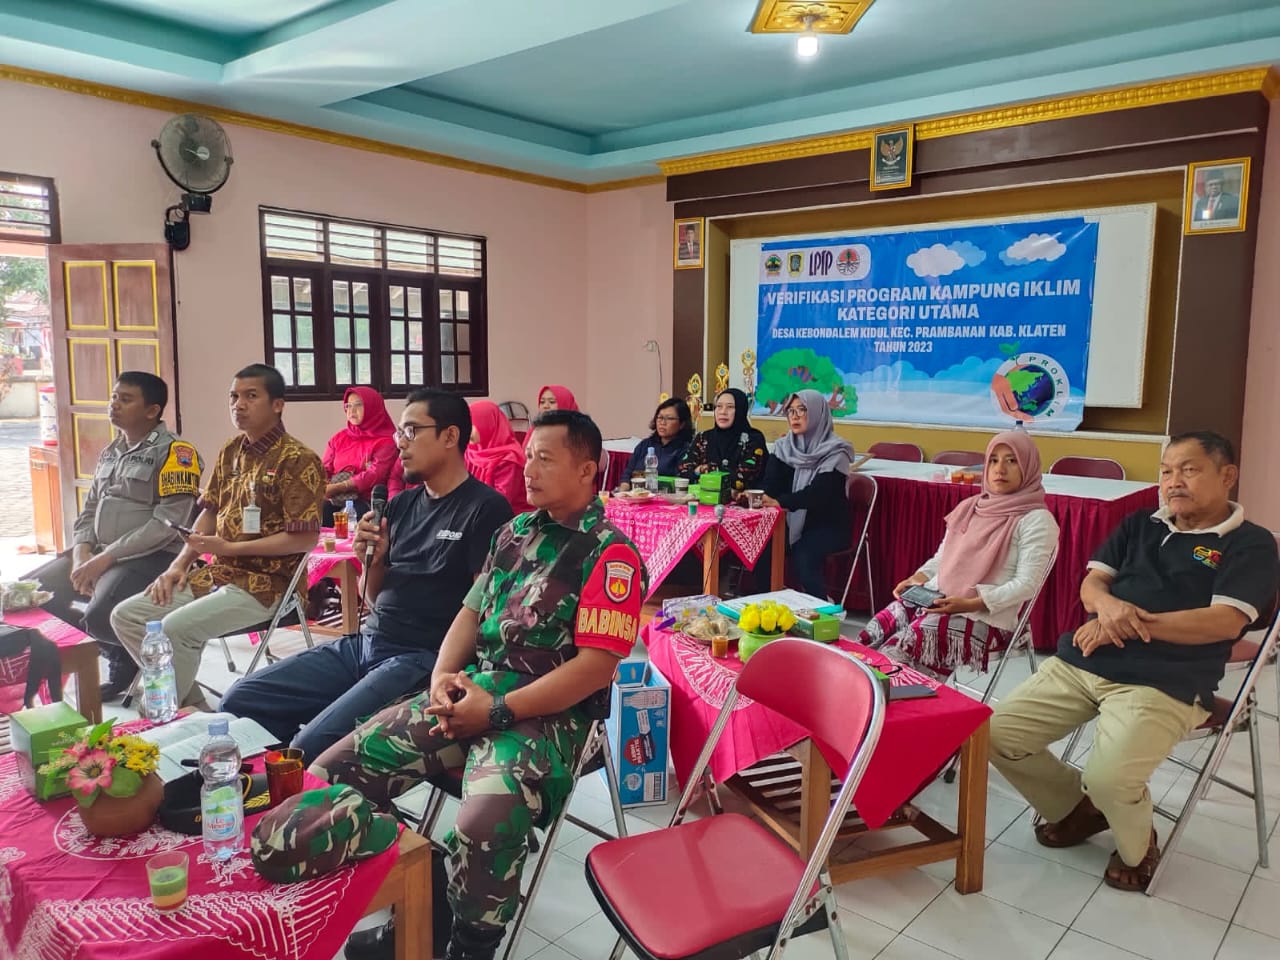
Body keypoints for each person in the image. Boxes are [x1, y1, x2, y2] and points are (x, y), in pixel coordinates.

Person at [313, 409, 646, 960]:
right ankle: (432, 889)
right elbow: (468, 616)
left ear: (588, 470)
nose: (529, 469)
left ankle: (471, 944)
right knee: (332, 771)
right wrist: (444, 675)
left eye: (545, 458)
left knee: (483, 821)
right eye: (529, 454)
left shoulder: (610, 555)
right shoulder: (513, 533)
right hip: (473, 689)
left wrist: (496, 712)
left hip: (551, 713)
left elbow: (594, 667)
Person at [988, 431, 1277, 893]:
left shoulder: (1252, 544)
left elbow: (1223, 622)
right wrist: (1108, 610)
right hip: (1086, 661)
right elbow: (1092, 586)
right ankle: (1078, 809)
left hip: (1167, 679)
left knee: (1109, 777)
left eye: (1188, 469)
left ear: (1227, 476)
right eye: (1166, 471)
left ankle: (1139, 849)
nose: (1173, 481)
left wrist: (1118, 621)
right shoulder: (1141, 522)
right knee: (995, 734)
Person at [221, 390, 512, 760]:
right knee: (241, 698)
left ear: (450, 436)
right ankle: (290, 778)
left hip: (421, 658)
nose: (401, 444)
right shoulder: (401, 505)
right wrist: (371, 562)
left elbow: (482, 611)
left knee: (310, 745)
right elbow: (373, 598)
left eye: (411, 431)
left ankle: (315, 780)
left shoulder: (484, 509)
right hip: (366, 643)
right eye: (399, 434)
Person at [110, 364, 326, 707]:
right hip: (219, 573)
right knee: (127, 615)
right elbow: (209, 510)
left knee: (175, 629)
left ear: (277, 404)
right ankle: (190, 704)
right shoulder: (231, 450)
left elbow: (304, 539)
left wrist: (229, 547)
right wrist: (180, 564)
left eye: (251, 396)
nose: (238, 405)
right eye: (234, 397)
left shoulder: (298, 460)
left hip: (267, 584)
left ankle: (167, 710)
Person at [30, 372, 201, 700]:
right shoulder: (112, 451)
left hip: (153, 558)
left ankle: (128, 657)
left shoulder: (177, 453)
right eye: (114, 397)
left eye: (126, 399)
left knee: (98, 614)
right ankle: (118, 653)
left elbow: (167, 523)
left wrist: (105, 559)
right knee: (40, 595)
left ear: (151, 411)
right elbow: (90, 507)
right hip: (99, 553)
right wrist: (82, 553)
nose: (114, 405)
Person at [861, 430, 1059, 675]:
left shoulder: (1037, 520)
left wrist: (969, 603)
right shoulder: (970, 508)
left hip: (985, 616)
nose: (1000, 469)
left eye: (1012, 460)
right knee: (871, 634)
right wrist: (917, 579)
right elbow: (943, 558)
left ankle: (914, 704)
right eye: (993, 460)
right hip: (940, 598)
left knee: (899, 651)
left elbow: (1026, 584)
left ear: (1028, 467)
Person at [751, 389, 854, 599]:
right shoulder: (784, 447)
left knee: (804, 553)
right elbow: (771, 484)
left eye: (802, 410)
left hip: (827, 524)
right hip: (788, 520)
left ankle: (821, 610)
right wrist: (758, 496)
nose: (795, 416)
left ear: (818, 413)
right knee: (762, 548)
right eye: (791, 411)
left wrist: (779, 501)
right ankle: (765, 606)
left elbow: (818, 495)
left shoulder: (836, 452)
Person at [321, 386, 397, 525]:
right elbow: (324, 469)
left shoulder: (386, 441)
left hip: (366, 499)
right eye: (348, 405)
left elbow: (374, 474)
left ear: (372, 407)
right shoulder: (339, 438)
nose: (351, 410)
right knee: (318, 512)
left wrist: (340, 486)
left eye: (358, 405)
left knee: (353, 516)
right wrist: (323, 486)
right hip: (335, 496)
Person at [679, 387, 767, 496]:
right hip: (701, 501)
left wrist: (703, 469)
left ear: (740, 410)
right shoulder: (703, 437)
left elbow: (743, 480)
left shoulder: (753, 439)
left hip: (741, 506)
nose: (723, 412)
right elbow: (682, 474)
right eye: (719, 406)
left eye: (730, 407)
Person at [465, 400, 530, 514]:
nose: (467, 431)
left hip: (511, 517)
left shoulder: (509, 459)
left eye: (472, 425)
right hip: (477, 509)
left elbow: (502, 500)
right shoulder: (471, 451)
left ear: (488, 425)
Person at [624, 397, 694, 482]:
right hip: (636, 493)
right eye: (660, 417)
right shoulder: (644, 445)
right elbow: (627, 473)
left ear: (682, 424)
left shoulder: (686, 450)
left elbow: (681, 481)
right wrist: (624, 488)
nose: (662, 422)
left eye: (669, 418)